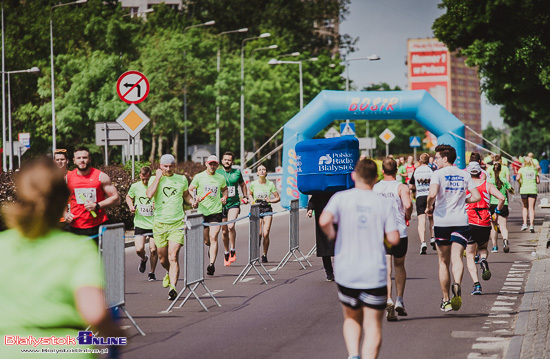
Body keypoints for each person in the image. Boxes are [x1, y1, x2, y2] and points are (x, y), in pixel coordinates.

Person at [0, 159, 122, 358]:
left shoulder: (2, 246)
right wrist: (115, 333)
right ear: (65, 198)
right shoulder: (77, 249)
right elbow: (94, 313)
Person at [319, 158, 399, 359]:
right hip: (374, 272)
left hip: (347, 271)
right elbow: (393, 238)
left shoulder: (340, 198)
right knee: (372, 325)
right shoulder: (383, 203)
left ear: (354, 176)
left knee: (351, 318)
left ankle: (353, 354)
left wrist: (333, 235)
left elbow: (324, 220)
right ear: (376, 179)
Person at [426, 144, 481, 312]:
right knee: (457, 258)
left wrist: (429, 206)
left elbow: (433, 194)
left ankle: (446, 300)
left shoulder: (437, 174)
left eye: (436, 158)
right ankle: (457, 283)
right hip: (460, 220)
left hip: (442, 221)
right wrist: (465, 201)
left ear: (444, 158)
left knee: (443, 261)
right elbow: (477, 196)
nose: (435, 161)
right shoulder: (464, 174)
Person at [146, 154, 193, 300]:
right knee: (162, 259)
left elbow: (186, 195)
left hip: (177, 223)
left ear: (174, 165)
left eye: (170, 166)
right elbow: (149, 195)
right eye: (165, 166)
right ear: (160, 166)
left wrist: (192, 202)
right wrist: (158, 178)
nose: (168, 169)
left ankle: (173, 287)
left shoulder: (182, 179)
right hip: (159, 223)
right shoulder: (154, 179)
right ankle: (168, 272)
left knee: (173, 256)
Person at [373, 158, 412, 321]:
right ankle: (399, 300)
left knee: (387, 267)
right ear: (397, 170)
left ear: (382, 171)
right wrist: (407, 216)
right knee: (400, 266)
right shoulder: (401, 187)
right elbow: (408, 205)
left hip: (382, 232)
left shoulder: (375, 187)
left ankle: (388, 298)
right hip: (399, 231)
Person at [464, 161, 505, 295]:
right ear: (480, 172)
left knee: (469, 254)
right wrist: (496, 211)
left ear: (469, 172)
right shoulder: (487, 185)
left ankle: (477, 285)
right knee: (482, 248)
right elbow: (502, 197)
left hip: (469, 220)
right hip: (484, 221)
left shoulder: (466, 186)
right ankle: (483, 260)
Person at [65, 147, 120, 239]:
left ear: (89, 159)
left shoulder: (101, 177)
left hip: (98, 225)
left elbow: (116, 199)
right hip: (76, 226)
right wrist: (65, 214)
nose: (82, 160)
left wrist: (97, 205)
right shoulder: (68, 178)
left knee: (98, 254)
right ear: (74, 161)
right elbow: (58, 200)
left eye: (84, 158)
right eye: (79, 158)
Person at [189, 155, 228, 276]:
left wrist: (224, 197)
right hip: (202, 211)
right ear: (206, 164)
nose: (212, 166)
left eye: (215, 164)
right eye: (210, 164)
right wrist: (195, 197)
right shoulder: (199, 177)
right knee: (207, 240)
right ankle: (211, 249)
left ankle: (211, 264)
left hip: (216, 211)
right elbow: (190, 189)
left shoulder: (220, 177)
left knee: (214, 236)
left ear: (217, 165)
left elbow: (225, 189)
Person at [126, 166, 158, 281]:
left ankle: (152, 272)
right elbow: (129, 197)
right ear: (140, 176)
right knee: (139, 249)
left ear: (151, 176)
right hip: (140, 223)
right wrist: (131, 206)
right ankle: (144, 259)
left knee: (153, 249)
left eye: (147, 179)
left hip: (154, 223)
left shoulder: (155, 185)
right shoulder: (135, 186)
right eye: (143, 179)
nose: (145, 181)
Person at [217, 151, 248, 266]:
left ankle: (233, 249)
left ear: (232, 162)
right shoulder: (217, 173)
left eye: (229, 160)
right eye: (225, 159)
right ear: (222, 161)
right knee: (224, 231)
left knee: (231, 226)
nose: (227, 161)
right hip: (221, 205)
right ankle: (226, 251)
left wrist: (245, 196)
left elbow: (243, 185)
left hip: (234, 203)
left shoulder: (237, 173)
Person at [249, 164, 280, 263]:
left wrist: (270, 200)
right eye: (260, 170)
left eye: (264, 169)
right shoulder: (253, 184)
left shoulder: (270, 184)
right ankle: (255, 253)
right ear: (257, 173)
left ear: (266, 172)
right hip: (257, 208)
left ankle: (264, 254)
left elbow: (277, 197)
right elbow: (249, 194)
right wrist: (252, 202)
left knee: (266, 233)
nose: (262, 171)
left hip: (267, 208)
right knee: (258, 234)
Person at [307, 193, 336, 281]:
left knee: (337, 248)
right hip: (322, 219)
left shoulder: (337, 192)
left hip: (334, 219)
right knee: (324, 248)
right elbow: (314, 198)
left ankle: (338, 271)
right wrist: (310, 209)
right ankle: (329, 273)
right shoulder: (319, 190)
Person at [409, 153, 435, 253]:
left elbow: (411, 185)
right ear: (428, 160)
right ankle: (432, 237)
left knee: (421, 220)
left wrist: (417, 187)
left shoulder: (416, 171)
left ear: (420, 160)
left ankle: (423, 242)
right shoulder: (431, 170)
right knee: (431, 218)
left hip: (420, 196)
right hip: (430, 196)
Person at [488, 163, 514, 253]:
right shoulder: (504, 180)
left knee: (494, 227)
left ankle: (495, 246)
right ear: (500, 170)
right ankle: (505, 240)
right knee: (503, 226)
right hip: (503, 204)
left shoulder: (490, 181)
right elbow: (512, 191)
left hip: (493, 204)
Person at [517, 156, 539, 233]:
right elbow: (538, 180)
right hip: (533, 189)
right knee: (531, 208)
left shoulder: (521, 169)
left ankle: (525, 223)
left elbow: (517, 178)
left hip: (524, 189)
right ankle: (532, 225)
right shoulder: (534, 170)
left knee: (525, 207)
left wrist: (520, 182)